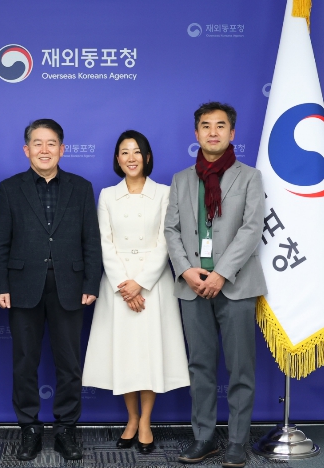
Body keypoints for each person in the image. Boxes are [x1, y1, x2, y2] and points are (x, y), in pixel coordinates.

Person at [0, 119, 102, 461]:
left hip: (70, 286)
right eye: (37, 143)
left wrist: (91, 282)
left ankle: (66, 428)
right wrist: (0, 285)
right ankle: (29, 428)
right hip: (22, 287)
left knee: (69, 363)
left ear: (62, 149)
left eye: (51, 143)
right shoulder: (10, 188)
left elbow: (91, 241)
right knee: (25, 362)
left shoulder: (81, 187)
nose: (44, 150)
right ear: (26, 150)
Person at [164, 102, 266, 468]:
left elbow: (251, 229)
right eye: (206, 126)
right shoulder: (181, 179)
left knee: (240, 369)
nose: (213, 132)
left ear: (231, 133)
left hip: (235, 285)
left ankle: (237, 442)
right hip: (192, 286)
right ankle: (204, 437)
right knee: (200, 366)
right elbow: (171, 230)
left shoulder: (249, 177)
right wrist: (187, 271)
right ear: (196, 134)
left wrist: (221, 273)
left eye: (220, 126)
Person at [82, 130, 190, 454]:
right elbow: (104, 242)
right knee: (125, 354)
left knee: (149, 353)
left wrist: (141, 282)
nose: (131, 158)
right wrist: (124, 285)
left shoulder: (164, 193)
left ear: (147, 157)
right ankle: (131, 418)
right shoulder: (107, 195)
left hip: (153, 285)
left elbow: (166, 240)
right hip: (118, 285)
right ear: (117, 159)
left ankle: (146, 421)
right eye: (124, 152)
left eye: (137, 152)